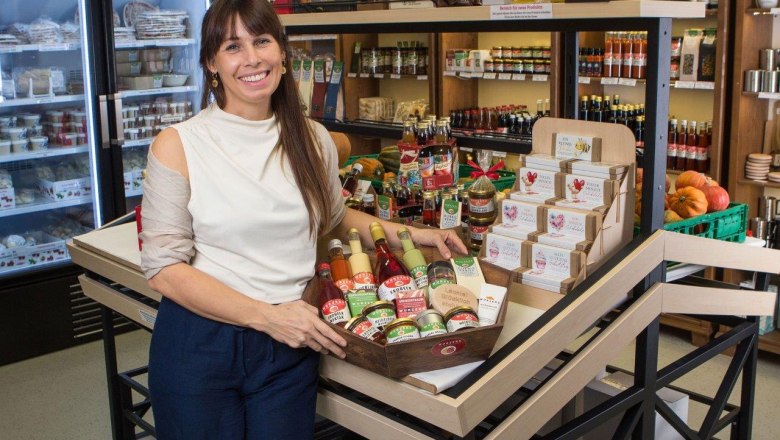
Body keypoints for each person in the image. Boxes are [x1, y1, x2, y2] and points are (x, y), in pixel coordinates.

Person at [139, 0, 467, 438]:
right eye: (233, 46)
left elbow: (334, 218)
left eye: (262, 41)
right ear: (211, 63)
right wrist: (265, 316)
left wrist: (415, 235)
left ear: (283, 53)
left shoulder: (312, 138)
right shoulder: (178, 144)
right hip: (202, 343)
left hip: (290, 343)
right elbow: (164, 269)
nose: (252, 58)